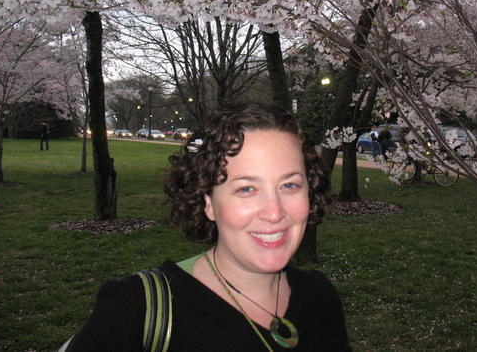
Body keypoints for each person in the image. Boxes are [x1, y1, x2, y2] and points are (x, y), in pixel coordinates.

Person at [64, 103, 351, 351]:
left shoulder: (320, 298)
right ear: (208, 202)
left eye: (289, 185)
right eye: (247, 188)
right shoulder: (133, 310)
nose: (274, 212)